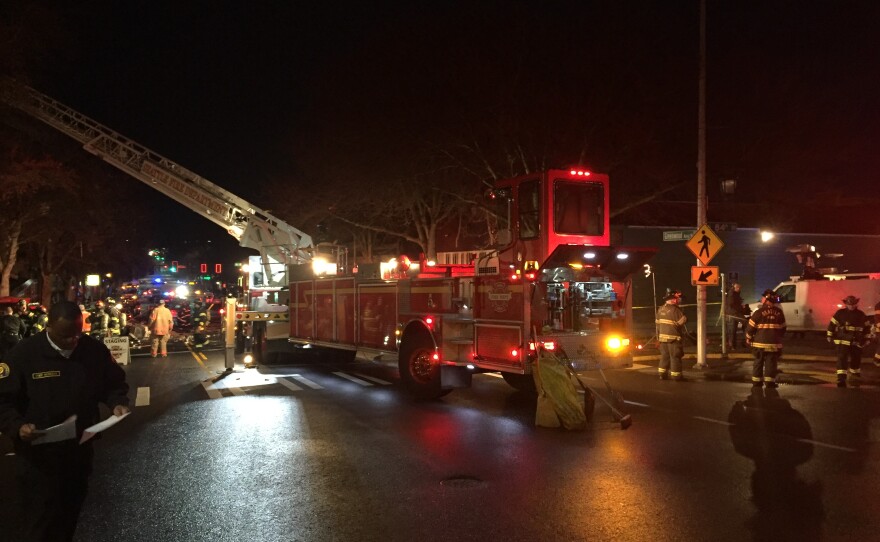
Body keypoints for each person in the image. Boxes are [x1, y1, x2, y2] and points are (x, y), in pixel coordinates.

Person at [0, 300, 130, 541]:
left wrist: (117, 402)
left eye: (77, 334)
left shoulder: (92, 350)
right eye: (65, 335)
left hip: (78, 450)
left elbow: (112, 383)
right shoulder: (24, 354)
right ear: (49, 327)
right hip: (37, 455)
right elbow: (3, 401)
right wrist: (17, 427)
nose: (72, 341)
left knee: (69, 514)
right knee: (39, 521)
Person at [826, 295, 871, 387]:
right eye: (849, 304)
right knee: (842, 359)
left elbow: (867, 328)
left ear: (856, 304)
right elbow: (832, 324)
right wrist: (829, 335)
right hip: (843, 341)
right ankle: (841, 378)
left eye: (853, 304)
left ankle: (855, 376)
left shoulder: (861, 314)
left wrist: (867, 339)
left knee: (856, 359)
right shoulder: (840, 313)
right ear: (846, 304)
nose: (851, 306)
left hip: (856, 341)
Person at [745, 289, 787, 388]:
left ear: (766, 299)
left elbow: (750, 328)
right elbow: (783, 328)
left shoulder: (759, 312)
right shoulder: (779, 312)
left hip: (760, 344)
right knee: (771, 363)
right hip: (774, 344)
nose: (762, 299)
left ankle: (757, 382)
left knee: (758, 362)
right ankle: (770, 382)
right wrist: (777, 337)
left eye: (763, 297)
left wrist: (748, 338)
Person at [656, 289, 687, 381]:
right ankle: (676, 376)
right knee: (675, 357)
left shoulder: (660, 309)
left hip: (662, 338)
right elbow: (682, 321)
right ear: (673, 299)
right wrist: (684, 315)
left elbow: (657, 323)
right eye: (676, 298)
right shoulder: (675, 310)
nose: (678, 300)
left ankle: (662, 374)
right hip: (673, 339)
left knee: (665, 357)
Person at [726, 282, 747, 349]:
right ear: (734, 287)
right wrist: (741, 308)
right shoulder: (732, 294)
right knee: (746, 323)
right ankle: (742, 342)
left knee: (733, 330)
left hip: (734, 313)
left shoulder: (735, 294)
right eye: (738, 287)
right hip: (734, 314)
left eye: (740, 287)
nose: (739, 289)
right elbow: (732, 304)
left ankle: (733, 345)